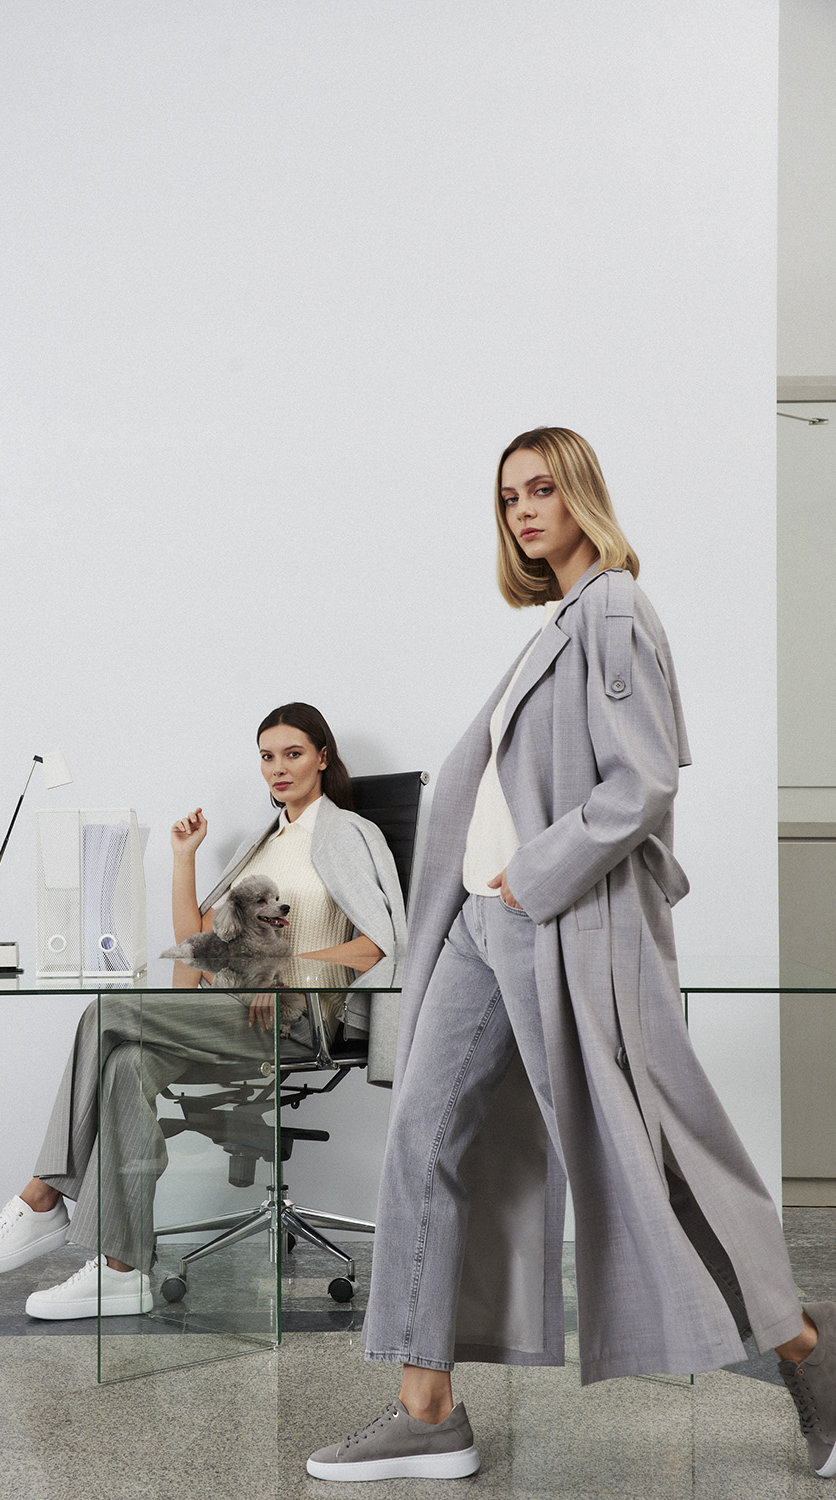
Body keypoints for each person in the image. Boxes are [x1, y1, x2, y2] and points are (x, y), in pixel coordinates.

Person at [306, 428, 836, 1483]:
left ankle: (808, 1351)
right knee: (420, 1142)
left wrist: (531, 875)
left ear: (581, 493)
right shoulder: (553, 622)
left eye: (541, 489)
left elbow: (642, 783)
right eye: (509, 498)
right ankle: (425, 1407)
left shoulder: (614, 607)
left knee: (648, 1159)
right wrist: (488, 890)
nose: (523, 511)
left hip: (557, 920)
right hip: (481, 923)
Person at [0, 702, 406, 1320]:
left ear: (322, 757)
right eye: (267, 757)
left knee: (110, 1012)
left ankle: (42, 1195)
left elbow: (379, 944)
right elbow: (198, 939)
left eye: (293, 754)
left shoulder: (349, 834)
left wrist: (285, 969)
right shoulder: (262, 844)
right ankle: (121, 1273)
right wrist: (184, 855)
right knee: (127, 1066)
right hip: (231, 1011)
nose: (278, 768)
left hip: (299, 1020)